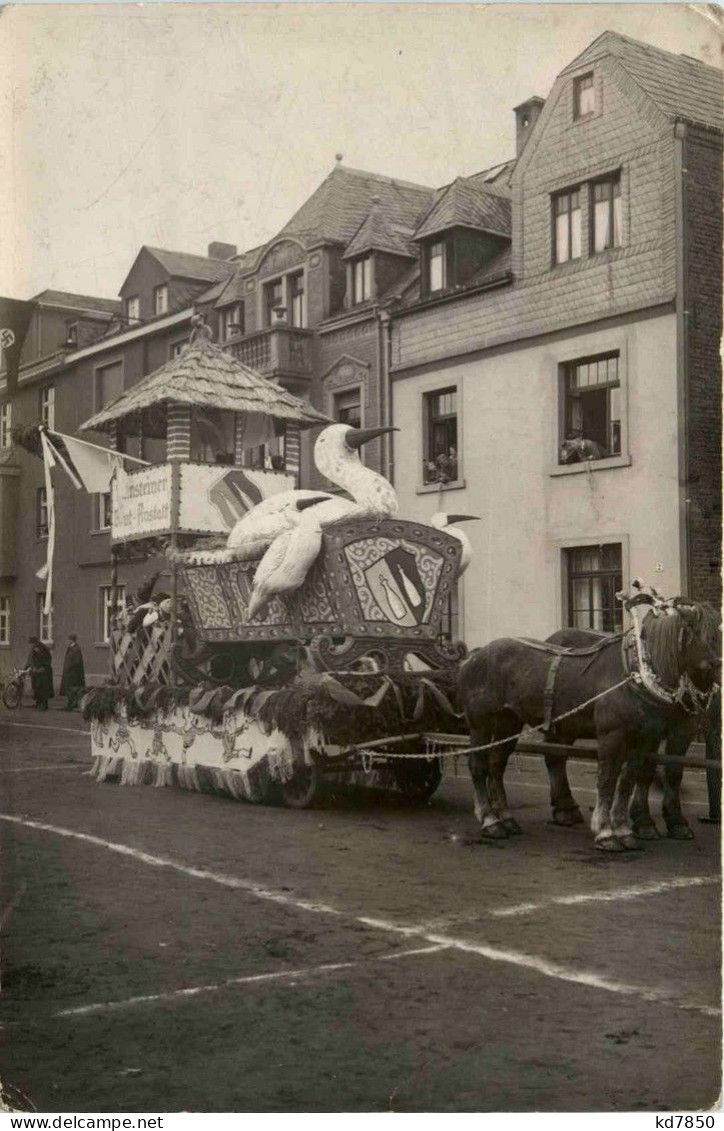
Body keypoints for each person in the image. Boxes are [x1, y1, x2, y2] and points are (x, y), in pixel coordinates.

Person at [25, 636, 53, 710]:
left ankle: (44, 705)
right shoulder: (34, 649)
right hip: (36, 672)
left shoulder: (43, 649)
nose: (32, 646)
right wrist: (26, 668)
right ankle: (38, 703)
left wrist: (42, 667)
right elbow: (30, 660)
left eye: (32, 644)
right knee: (36, 687)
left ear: (36, 643)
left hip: (44, 672)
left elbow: (47, 659)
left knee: (43, 688)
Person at [60, 634, 85, 710]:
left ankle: (72, 704)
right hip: (69, 673)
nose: (67, 641)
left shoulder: (76, 649)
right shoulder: (71, 648)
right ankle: (70, 704)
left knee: (72, 689)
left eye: (68, 640)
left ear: (71, 640)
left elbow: (77, 662)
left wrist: (69, 667)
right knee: (69, 689)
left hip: (73, 674)